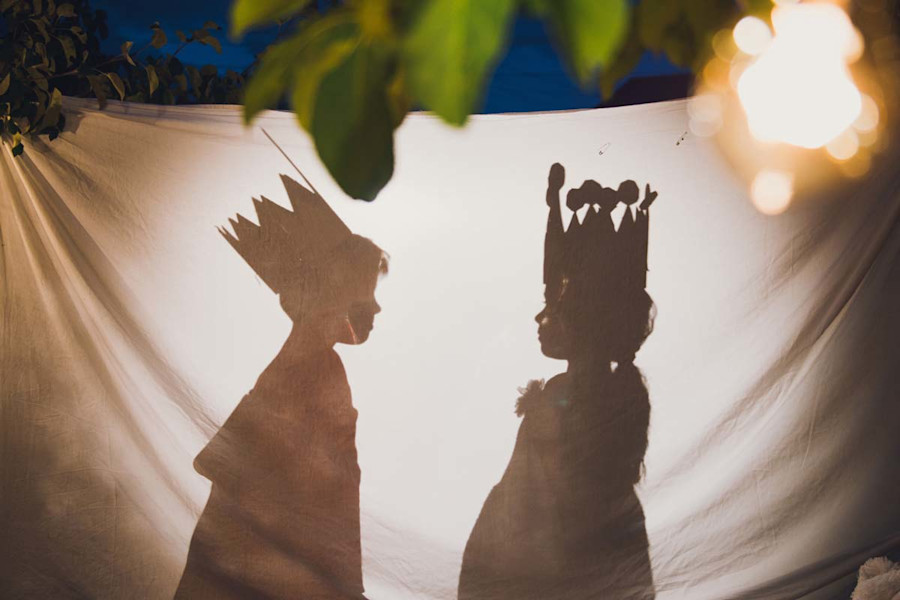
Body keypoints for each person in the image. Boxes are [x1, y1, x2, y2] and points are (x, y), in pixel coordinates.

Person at [174, 175, 387, 600]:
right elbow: (321, 492)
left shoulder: (307, 363)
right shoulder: (316, 368)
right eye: (366, 290)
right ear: (337, 290)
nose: (376, 307)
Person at [458, 163, 658, 600]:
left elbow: (515, 523)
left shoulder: (558, 401)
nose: (540, 316)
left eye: (553, 302)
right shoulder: (616, 396)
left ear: (582, 319)